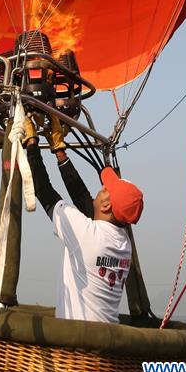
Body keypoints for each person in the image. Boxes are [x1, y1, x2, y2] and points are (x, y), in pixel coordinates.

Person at [24, 115, 143, 324]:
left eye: (107, 189)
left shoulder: (89, 236)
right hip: (107, 337)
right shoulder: (123, 243)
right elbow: (84, 200)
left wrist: (31, 142)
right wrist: (59, 151)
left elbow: (43, 190)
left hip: (79, 345)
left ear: (106, 206)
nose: (103, 187)